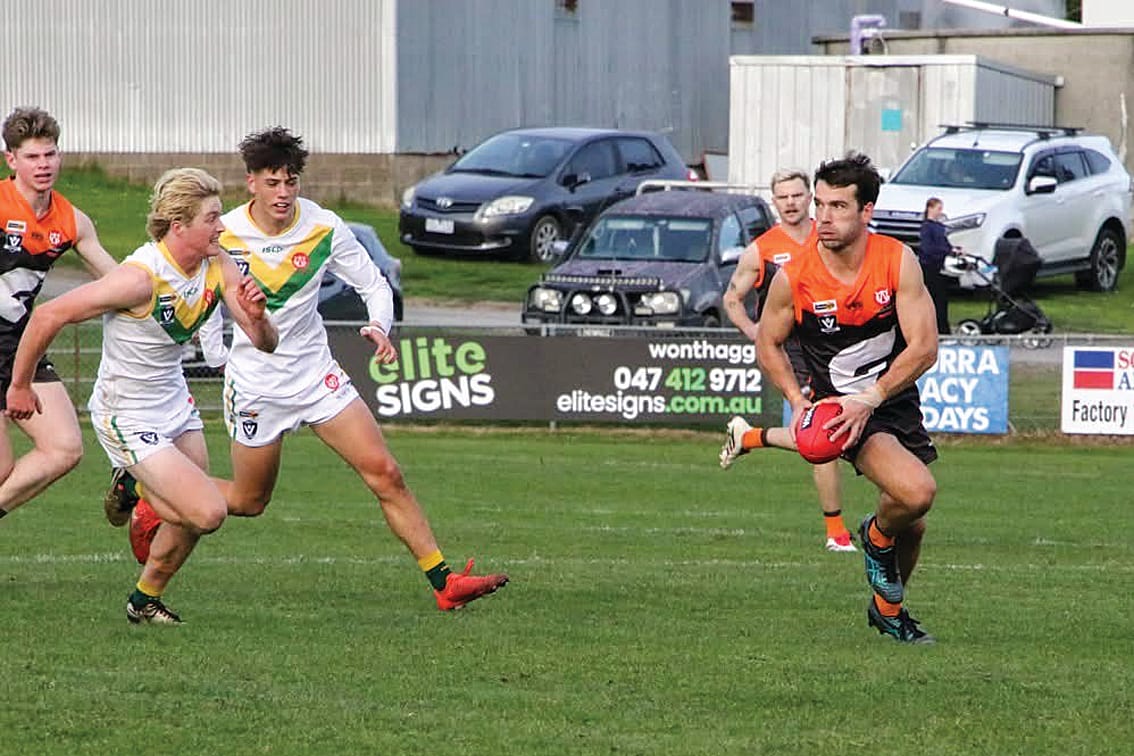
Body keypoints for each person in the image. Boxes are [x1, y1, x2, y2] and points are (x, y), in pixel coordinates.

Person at [107, 127, 508, 612]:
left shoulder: (324, 227)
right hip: (255, 383)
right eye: (273, 182)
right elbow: (204, 296)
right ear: (251, 182)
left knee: (385, 473)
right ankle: (144, 496)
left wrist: (379, 325)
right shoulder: (223, 233)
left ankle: (444, 582)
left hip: (317, 376)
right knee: (251, 502)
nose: (283, 193)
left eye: (291, 182)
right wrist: (214, 350)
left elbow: (374, 284)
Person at [6, 167, 278, 624]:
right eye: (212, 218)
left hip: (173, 401)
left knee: (190, 518)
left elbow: (265, 342)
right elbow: (49, 315)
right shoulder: (139, 278)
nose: (222, 227)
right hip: (125, 412)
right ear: (180, 226)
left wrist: (259, 317)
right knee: (208, 512)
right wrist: (20, 384)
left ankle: (144, 600)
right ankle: (135, 483)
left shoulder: (219, 263)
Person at [755, 153, 940, 644]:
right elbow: (766, 342)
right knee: (917, 492)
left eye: (838, 206)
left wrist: (873, 397)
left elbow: (924, 349)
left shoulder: (897, 261)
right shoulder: (794, 276)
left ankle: (887, 608)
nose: (824, 217)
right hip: (842, 411)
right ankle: (876, 539)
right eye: (820, 204)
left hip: (890, 399)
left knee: (913, 525)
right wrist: (798, 400)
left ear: (867, 211)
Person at [719, 168, 854, 553]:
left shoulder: (830, 235)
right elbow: (732, 299)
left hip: (839, 344)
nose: (791, 203)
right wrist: (757, 333)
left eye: (797, 195)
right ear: (773, 201)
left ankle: (748, 436)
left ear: (810, 197)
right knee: (823, 434)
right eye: (783, 197)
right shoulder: (761, 250)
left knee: (836, 431)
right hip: (795, 350)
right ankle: (836, 532)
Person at [0, 107, 119, 525]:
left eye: (50, 155)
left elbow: (117, 280)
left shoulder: (71, 220)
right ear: (11, 160)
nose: (44, 164)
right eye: (33, 157)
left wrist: (166, 288)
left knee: (65, 447)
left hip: (19, 344)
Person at [918, 197, 953, 335]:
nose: (940, 212)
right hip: (930, 268)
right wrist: (943, 251)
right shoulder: (927, 227)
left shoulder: (939, 227)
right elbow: (927, 249)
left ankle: (943, 329)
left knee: (941, 300)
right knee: (934, 299)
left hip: (940, 267)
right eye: (938, 209)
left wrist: (953, 250)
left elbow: (945, 244)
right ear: (930, 208)